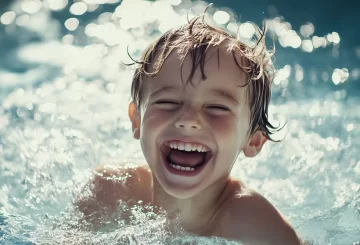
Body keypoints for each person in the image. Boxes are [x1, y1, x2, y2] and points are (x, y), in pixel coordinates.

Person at [76, 13, 305, 245]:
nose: (188, 120)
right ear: (137, 120)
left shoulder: (261, 228)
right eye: (168, 102)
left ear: (254, 140)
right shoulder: (111, 190)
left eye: (217, 107)